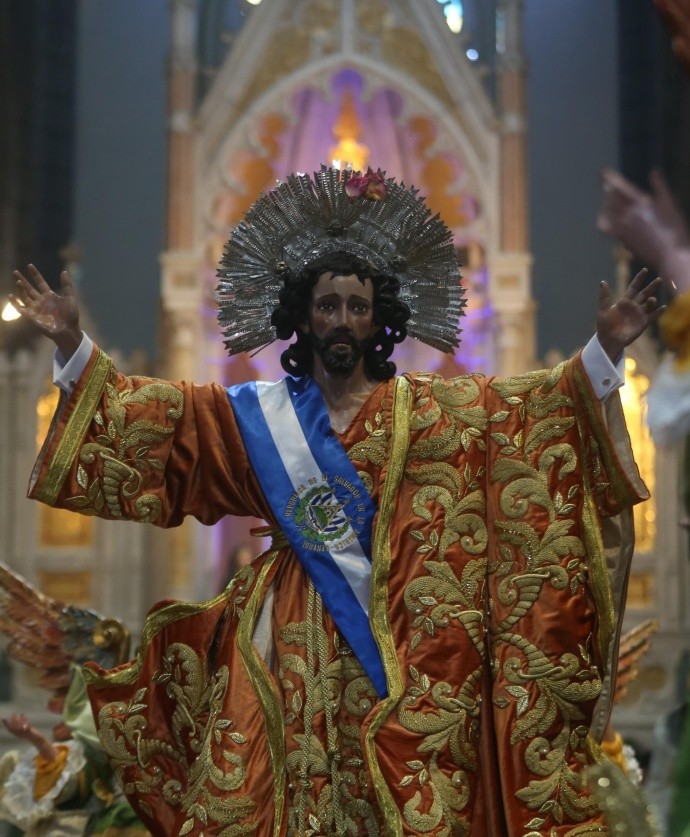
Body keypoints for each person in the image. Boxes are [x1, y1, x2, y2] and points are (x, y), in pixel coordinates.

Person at [13, 166, 661, 836]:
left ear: (378, 316)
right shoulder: (259, 415)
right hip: (281, 640)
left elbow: (523, 411)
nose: (343, 319)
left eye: (357, 304)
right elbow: (164, 424)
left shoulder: (428, 410)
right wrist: (72, 345)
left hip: (401, 638)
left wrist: (604, 350)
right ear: (304, 314)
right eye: (328, 305)